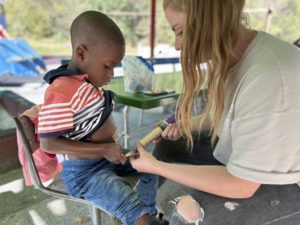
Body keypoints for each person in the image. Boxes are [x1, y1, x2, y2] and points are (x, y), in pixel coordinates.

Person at [130, 0, 300, 224]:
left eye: (179, 32)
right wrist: (186, 125)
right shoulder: (232, 59)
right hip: (261, 163)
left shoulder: (268, 75)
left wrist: (155, 166)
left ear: (208, 21)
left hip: (289, 181)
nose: (177, 46)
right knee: (170, 145)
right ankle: (159, 208)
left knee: (190, 211)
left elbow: (241, 184)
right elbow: (230, 115)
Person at [38, 11, 167, 225]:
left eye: (114, 67)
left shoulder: (86, 83)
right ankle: (142, 218)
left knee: (150, 168)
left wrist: (114, 150)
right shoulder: (61, 90)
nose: (111, 73)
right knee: (133, 209)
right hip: (84, 173)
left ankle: (149, 216)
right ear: (81, 54)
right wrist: (104, 149)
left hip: (106, 160)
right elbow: (48, 142)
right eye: (107, 66)